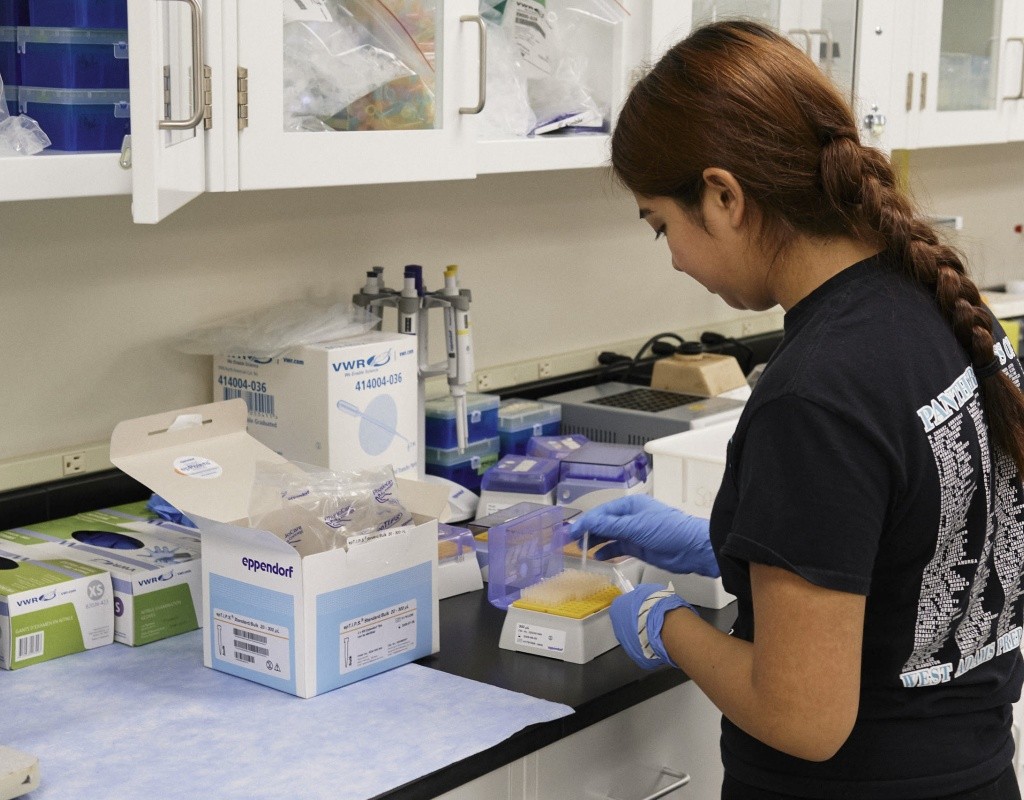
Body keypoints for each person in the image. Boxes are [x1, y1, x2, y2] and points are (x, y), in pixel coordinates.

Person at [569, 19, 1024, 800]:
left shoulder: (815, 392)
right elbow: (918, 555)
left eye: (661, 227)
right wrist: (734, 552)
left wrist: (664, 625)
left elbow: (803, 717)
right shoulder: (938, 307)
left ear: (723, 195)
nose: (675, 257)